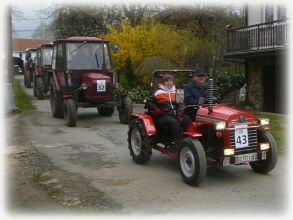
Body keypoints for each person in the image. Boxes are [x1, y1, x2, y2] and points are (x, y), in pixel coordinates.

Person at [145, 74, 182, 146]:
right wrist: (156, 109)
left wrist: (180, 112)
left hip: (176, 114)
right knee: (174, 123)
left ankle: (187, 140)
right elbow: (148, 102)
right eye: (167, 81)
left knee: (187, 120)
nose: (169, 82)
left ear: (173, 82)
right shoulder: (158, 92)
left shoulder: (178, 91)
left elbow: (181, 104)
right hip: (163, 115)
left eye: (170, 81)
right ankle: (175, 142)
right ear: (163, 82)